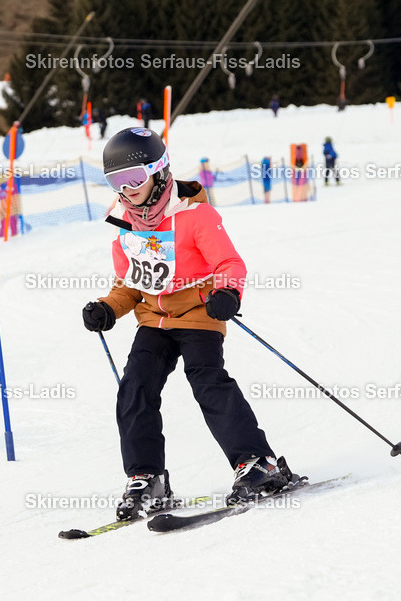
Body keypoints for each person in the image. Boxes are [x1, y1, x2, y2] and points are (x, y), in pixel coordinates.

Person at [82, 127, 291, 522]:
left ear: (159, 172)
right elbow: (128, 283)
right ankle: (147, 478)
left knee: (207, 380)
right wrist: (108, 308)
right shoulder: (125, 224)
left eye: (134, 179)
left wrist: (227, 293)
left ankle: (256, 463)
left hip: (199, 314)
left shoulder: (196, 217)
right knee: (134, 389)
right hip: (153, 320)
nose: (126, 191)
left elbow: (229, 264)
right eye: (116, 182)